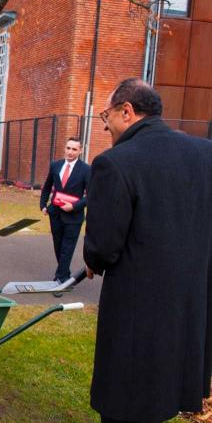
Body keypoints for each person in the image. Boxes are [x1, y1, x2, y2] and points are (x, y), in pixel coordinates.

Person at [84, 78, 212, 423]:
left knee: (126, 399)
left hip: (136, 308)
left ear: (127, 111)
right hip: (189, 306)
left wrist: (92, 260)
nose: (105, 125)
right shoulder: (205, 154)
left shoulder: (115, 162)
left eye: (105, 115)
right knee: (166, 392)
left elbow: (103, 247)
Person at [39, 137, 90, 289]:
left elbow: (91, 195)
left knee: (67, 247)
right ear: (65, 148)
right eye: (68, 148)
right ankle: (65, 275)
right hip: (55, 213)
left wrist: (74, 206)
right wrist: (43, 205)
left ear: (80, 151)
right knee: (58, 246)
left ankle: (60, 279)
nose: (70, 152)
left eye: (74, 149)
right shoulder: (56, 165)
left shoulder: (86, 169)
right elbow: (47, 186)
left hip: (73, 216)